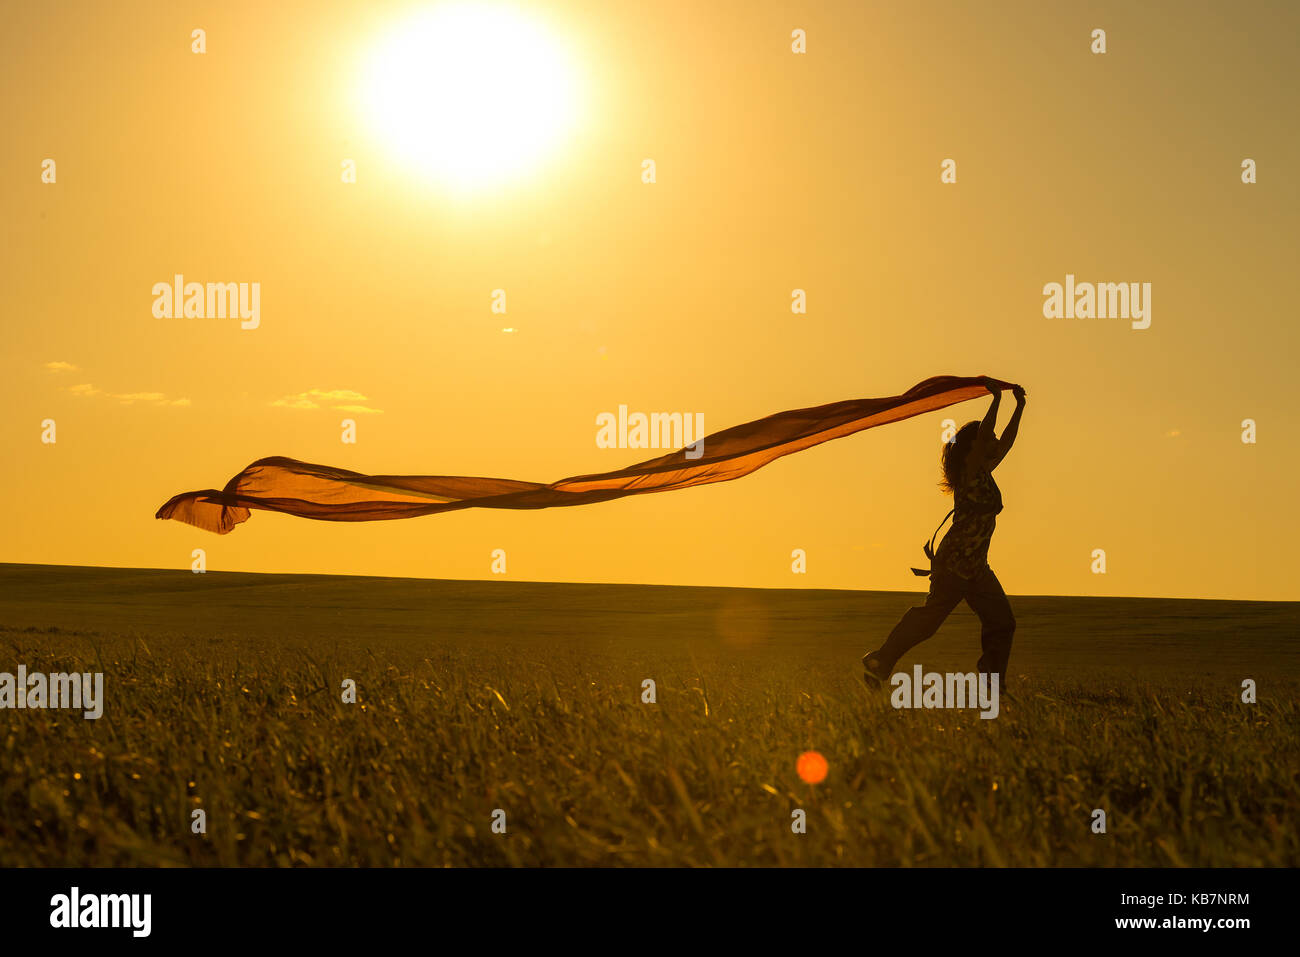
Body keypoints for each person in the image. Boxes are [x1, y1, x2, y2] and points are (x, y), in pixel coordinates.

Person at [862, 378, 1026, 692]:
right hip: (953, 565)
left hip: (976, 567)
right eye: (987, 436)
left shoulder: (983, 472)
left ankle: (992, 684)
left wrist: (1019, 407)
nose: (993, 440)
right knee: (928, 623)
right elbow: (983, 441)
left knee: (1002, 622)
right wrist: (995, 400)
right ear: (973, 447)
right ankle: (879, 660)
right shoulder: (968, 473)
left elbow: (1005, 442)